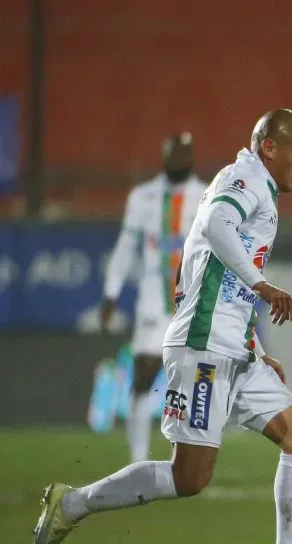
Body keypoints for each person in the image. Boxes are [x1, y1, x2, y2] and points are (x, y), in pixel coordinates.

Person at [33, 109, 292, 544]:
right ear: (270, 147)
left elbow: (216, 277)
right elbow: (213, 224)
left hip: (235, 348)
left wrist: (257, 347)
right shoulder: (245, 177)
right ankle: (71, 504)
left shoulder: (260, 190)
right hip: (204, 346)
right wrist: (263, 284)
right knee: (190, 477)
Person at [100, 133, 207, 463]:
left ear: (191, 159)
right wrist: (110, 293)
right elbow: (125, 248)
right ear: (165, 158)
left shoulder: (207, 196)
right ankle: (136, 460)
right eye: (174, 156)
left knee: (192, 379)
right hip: (152, 301)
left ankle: (186, 457)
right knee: (144, 372)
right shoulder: (143, 197)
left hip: (192, 300)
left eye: (184, 156)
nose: (179, 162)